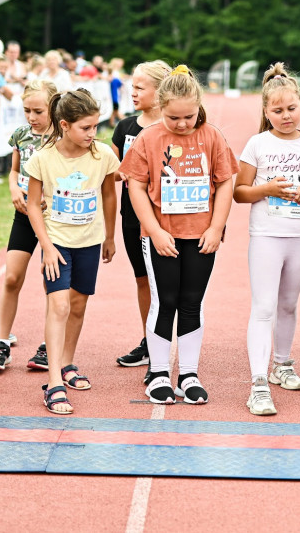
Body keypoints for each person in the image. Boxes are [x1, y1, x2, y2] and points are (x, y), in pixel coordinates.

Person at [120, 65, 238, 405]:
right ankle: (159, 372)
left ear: (199, 106)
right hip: (162, 237)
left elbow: (226, 180)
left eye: (190, 116)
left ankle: (188, 373)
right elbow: (136, 187)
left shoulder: (212, 136)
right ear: (161, 108)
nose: (183, 124)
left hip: (202, 236)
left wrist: (216, 227)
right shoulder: (149, 138)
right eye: (174, 118)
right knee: (165, 301)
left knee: (191, 302)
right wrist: (154, 231)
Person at [236, 66, 300, 416]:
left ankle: (283, 365)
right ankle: (258, 384)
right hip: (266, 235)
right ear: (266, 113)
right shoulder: (257, 144)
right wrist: (268, 189)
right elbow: (240, 192)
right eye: (277, 111)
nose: (285, 116)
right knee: (263, 307)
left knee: (289, 304)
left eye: (291, 108)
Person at [24, 89, 118, 414]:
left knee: (77, 305)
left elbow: (109, 195)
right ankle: (53, 384)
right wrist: (46, 246)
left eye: (95, 127)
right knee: (59, 305)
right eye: (86, 128)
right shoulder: (42, 159)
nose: (92, 134)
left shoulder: (102, 155)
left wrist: (110, 237)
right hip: (57, 243)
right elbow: (32, 205)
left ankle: (66, 363)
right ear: (64, 125)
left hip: (90, 241)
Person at [0, 79, 59, 371]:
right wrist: (14, 188)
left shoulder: (63, 139)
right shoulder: (21, 135)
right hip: (25, 215)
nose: (31, 117)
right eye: (27, 110)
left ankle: (47, 344)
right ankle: (1, 343)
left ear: (53, 107)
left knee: (51, 282)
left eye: (38, 111)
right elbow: (14, 171)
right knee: (12, 278)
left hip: (53, 220)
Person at [113, 60, 170, 373]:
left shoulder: (173, 125)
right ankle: (150, 341)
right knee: (142, 279)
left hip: (166, 217)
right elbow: (109, 168)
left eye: (139, 87)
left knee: (165, 281)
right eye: (131, 86)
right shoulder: (125, 127)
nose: (132, 92)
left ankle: (164, 341)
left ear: (160, 91)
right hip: (131, 216)